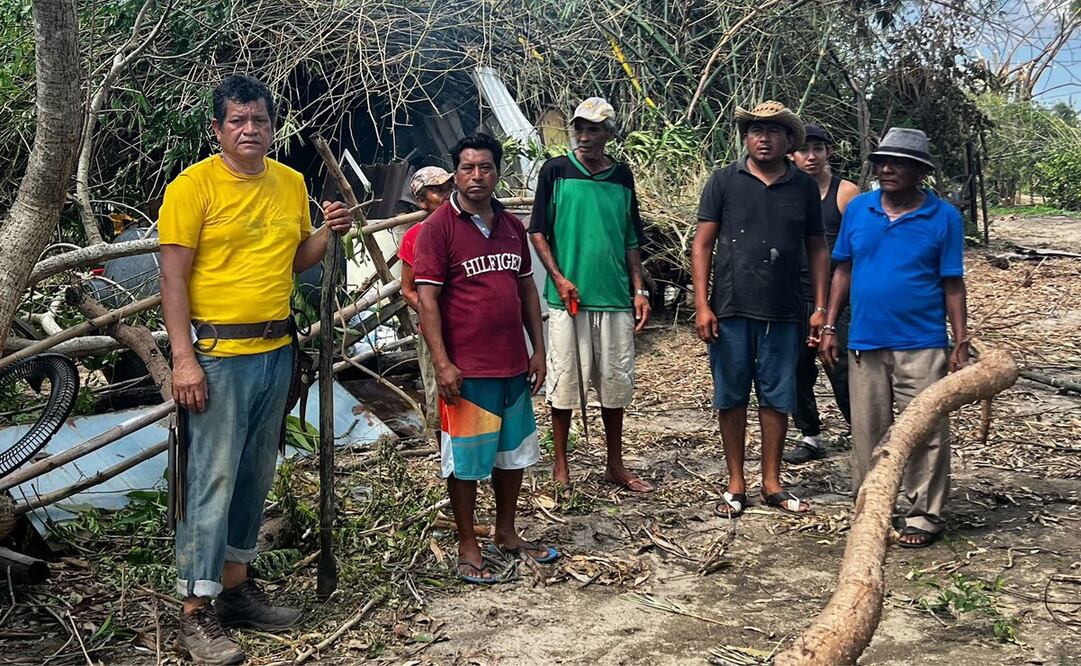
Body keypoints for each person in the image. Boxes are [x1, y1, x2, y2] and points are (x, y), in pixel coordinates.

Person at [159, 74, 352, 663]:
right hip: (217, 356)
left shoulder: (289, 183)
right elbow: (172, 278)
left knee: (253, 475)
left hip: (276, 351)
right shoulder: (192, 189)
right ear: (218, 129)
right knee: (212, 479)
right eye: (237, 121)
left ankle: (238, 590)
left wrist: (327, 232)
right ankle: (196, 610)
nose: (250, 130)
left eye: (260, 121)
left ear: (273, 126)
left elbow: (297, 260)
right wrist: (184, 359)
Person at [412, 133, 558, 583]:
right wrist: (442, 363)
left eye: (486, 168)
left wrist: (539, 351)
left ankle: (507, 532)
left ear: (497, 171)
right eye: (468, 168)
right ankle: (467, 542)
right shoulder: (439, 228)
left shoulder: (512, 227)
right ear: (455, 172)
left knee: (511, 455)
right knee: (466, 460)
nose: (477, 177)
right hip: (467, 369)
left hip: (512, 363)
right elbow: (427, 300)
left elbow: (526, 290)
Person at [821, 127, 969, 548]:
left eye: (898, 163)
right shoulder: (860, 210)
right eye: (882, 162)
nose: (886, 169)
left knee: (926, 429)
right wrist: (831, 325)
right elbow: (843, 270)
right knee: (868, 431)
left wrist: (959, 340)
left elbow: (952, 283)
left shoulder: (943, 217)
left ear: (919, 171)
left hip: (921, 342)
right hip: (865, 341)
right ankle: (871, 509)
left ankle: (924, 514)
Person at [691, 101, 830, 518]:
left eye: (772, 131)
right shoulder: (724, 182)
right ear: (745, 138)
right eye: (755, 131)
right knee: (731, 397)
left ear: (789, 140)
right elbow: (702, 244)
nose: (763, 138)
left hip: (785, 310)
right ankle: (736, 482)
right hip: (731, 307)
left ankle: (771, 481)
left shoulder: (802, 187)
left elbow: (818, 248)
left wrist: (819, 307)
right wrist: (702, 303)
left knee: (776, 397)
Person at [528, 97, 653, 493]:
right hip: (569, 297)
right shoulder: (556, 171)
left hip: (614, 296)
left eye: (593, 129)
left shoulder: (621, 176)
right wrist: (559, 278)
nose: (584, 136)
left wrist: (639, 289)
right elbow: (538, 231)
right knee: (564, 384)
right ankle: (561, 464)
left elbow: (631, 238)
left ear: (608, 134)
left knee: (615, 385)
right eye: (579, 127)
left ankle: (614, 464)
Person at [784, 125, 860, 464]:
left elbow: (858, 248)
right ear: (792, 155)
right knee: (796, 367)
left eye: (817, 149)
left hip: (837, 295)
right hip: (793, 294)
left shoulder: (846, 193)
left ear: (829, 151)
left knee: (840, 365)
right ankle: (810, 435)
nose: (810, 156)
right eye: (804, 150)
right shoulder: (785, 191)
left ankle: (863, 431)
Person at [399, 167, 454, 440]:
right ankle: (446, 458)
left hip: (469, 328)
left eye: (448, 188)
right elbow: (407, 290)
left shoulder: (467, 227)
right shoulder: (414, 236)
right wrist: (432, 314)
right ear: (422, 201)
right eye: (438, 190)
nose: (446, 195)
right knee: (438, 392)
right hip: (433, 332)